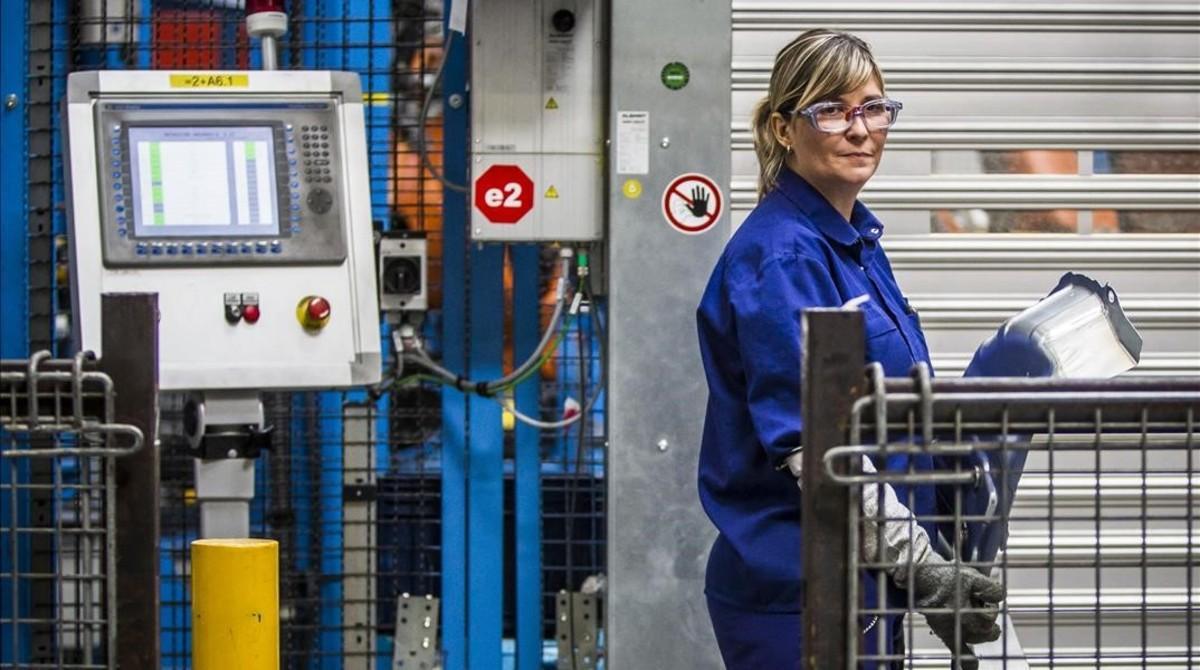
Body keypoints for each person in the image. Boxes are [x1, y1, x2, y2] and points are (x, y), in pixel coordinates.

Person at [696, 30, 1005, 669]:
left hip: (864, 582)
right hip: (801, 593)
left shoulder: (852, 243)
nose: (860, 129)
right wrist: (923, 569)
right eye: (832, 110)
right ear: (784, 129)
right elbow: (815, 451)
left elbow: (889, 414)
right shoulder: (783, 257)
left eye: (873, 108)